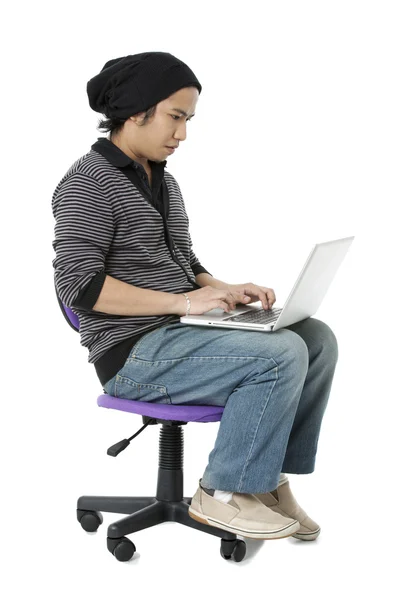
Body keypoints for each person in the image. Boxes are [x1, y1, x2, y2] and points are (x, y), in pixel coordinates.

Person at [52, 51, 339, 542]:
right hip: (134, 355)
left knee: (315, 338)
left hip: (179, 336)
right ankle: (225, 492)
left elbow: (184, 264)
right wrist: (185, 304)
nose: (182, 134)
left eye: (188, 120)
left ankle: (266, 484)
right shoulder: (88, 183)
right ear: (135, 111)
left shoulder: (162, 179)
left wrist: (223, 290)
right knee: (280, 354)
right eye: (175, 117)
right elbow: (79, 287)